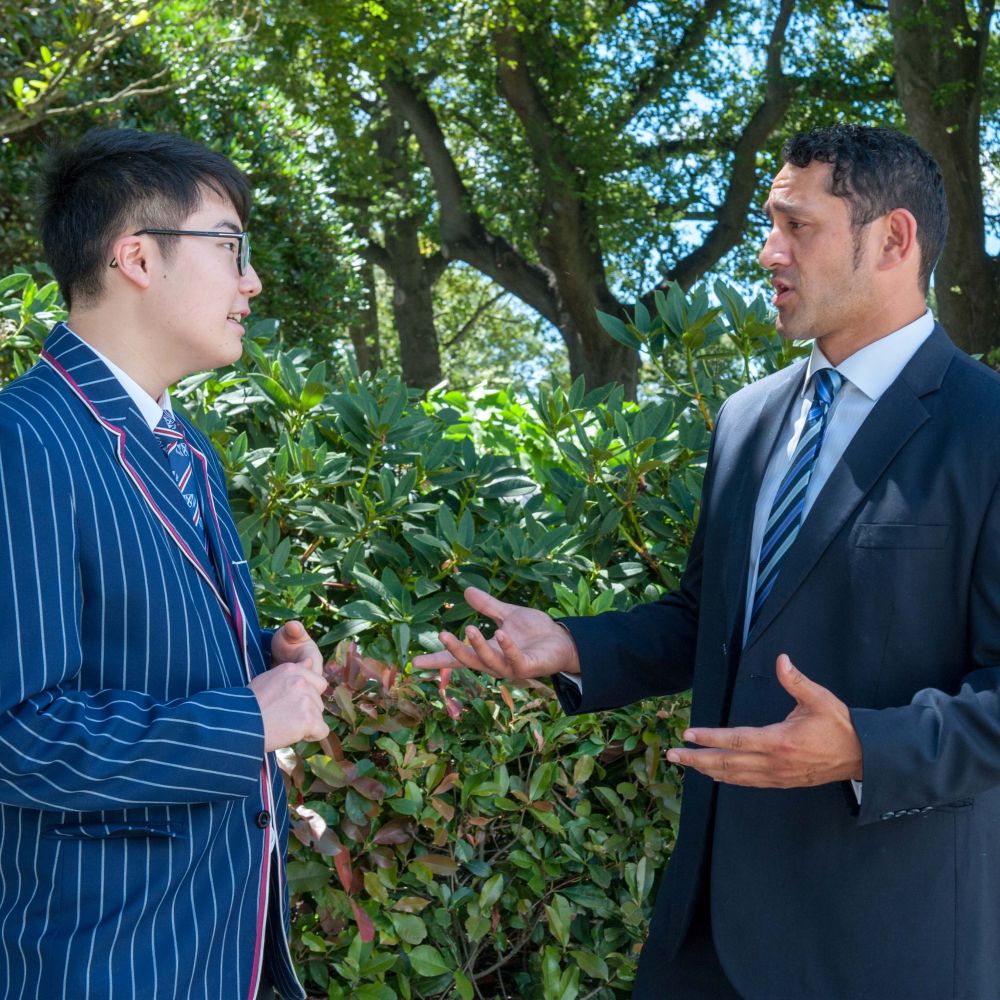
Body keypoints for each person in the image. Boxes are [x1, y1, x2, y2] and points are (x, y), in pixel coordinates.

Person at [415, 124, 1000, 999]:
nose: (768, 252)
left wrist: (864, 749)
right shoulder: (747, 419)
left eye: (796, 226)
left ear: (893, 240)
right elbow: (711, 621)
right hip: (702, 942)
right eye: (771, 223)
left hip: (886, 945)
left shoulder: (986, 428)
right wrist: (572, 646)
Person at [0, 128, 331, 1000]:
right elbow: (17, 734)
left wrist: (265, 661)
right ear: (138, 257)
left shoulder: (187, 448)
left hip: (226, 946)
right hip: (101, 962)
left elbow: (130, 654)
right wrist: (245, 720)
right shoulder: (21, 439)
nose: (251, 281)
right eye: (231, 248)